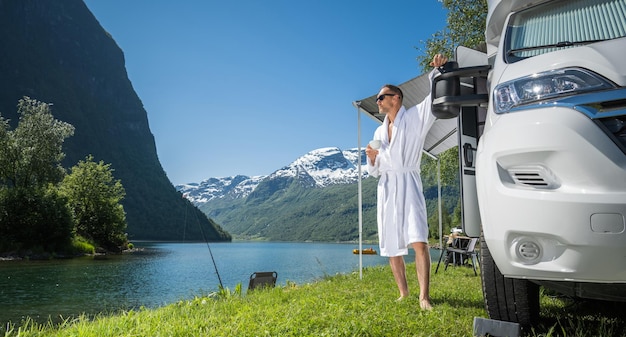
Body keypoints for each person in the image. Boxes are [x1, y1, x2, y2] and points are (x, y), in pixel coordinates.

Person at [366, 54, 448, 309]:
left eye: (381, 97)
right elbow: (375, 171)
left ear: (395, 98)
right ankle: (403, 292)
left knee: (418, 239)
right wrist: (371, 159)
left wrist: (438, 72)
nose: (377, 101)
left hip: (409, 182)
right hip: (388, 188)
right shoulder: (379, 132)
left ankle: (424, 296)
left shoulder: (414, 117)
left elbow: (433, 99)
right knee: (391, 243)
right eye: (377, 98)